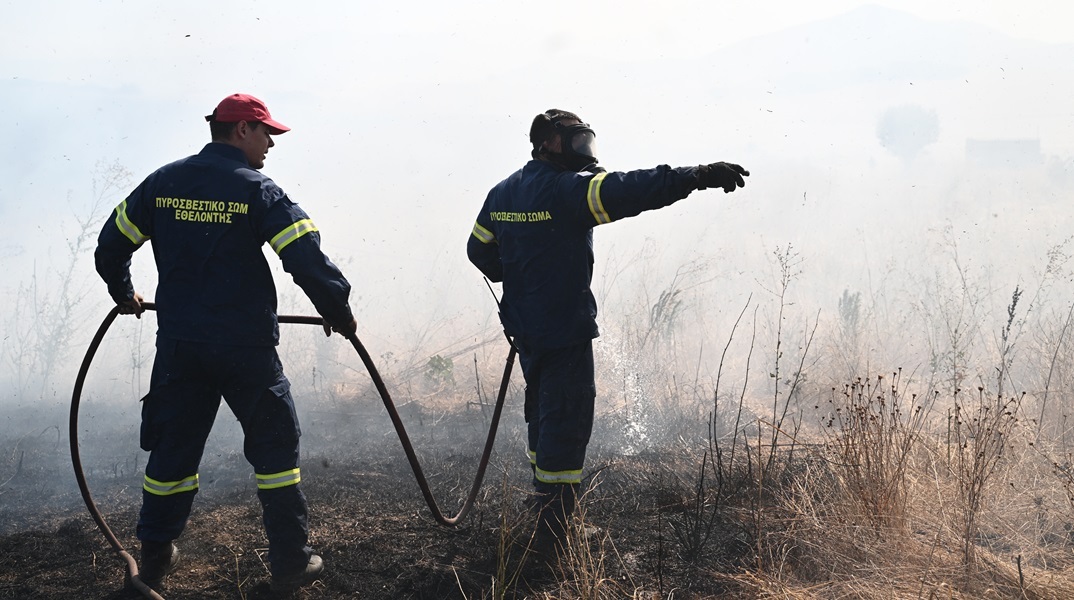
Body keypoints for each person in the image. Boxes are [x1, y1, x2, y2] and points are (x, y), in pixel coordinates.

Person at [94, 93, 357, 593]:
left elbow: (111, 244)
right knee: (276, 450)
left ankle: (153, 560)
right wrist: (338, 310)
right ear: (241, 131)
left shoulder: (163, 183)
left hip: (181, 348)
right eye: (266, 134)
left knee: (172, 452)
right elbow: (303, 256)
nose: (270, 145)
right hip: (245, 350)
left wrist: (122, 290)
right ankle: (290, 562)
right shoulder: (257, 190)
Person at [466, 109, 749, 557]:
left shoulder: (502, 192)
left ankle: (542, 505)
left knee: (542, 416)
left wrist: (516, 274)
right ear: (549, 143)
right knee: (566, 421)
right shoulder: (567, 190)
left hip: (528, 334)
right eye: (576, 142)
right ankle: (556, 533)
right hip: (564, 331)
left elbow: (477, 249)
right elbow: (631, 189)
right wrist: (695, 176)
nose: (585, 151)